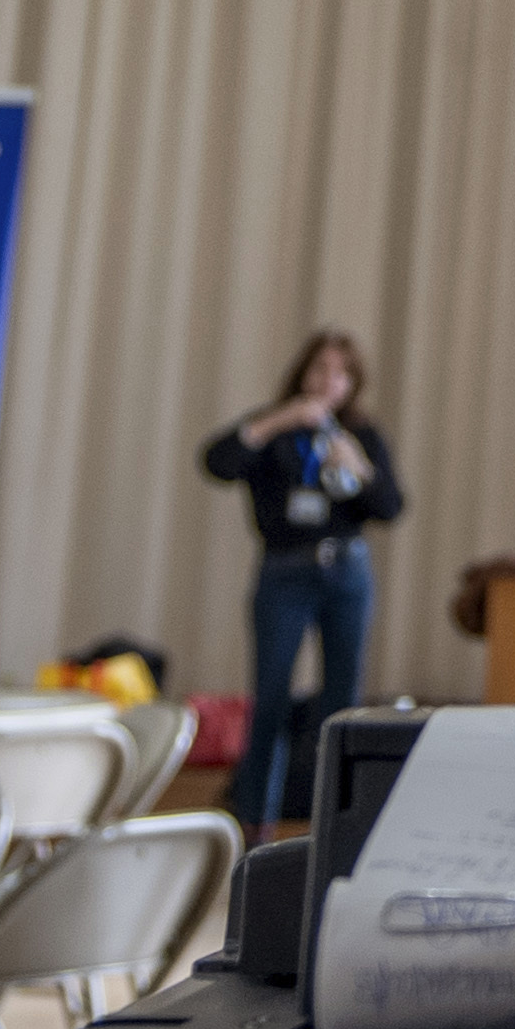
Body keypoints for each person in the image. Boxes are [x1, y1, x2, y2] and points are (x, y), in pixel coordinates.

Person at [204, 333, 402, 833]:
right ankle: (254, 829)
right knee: (269, 701)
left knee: (340, 704)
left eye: (340, 373)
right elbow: (217, 462)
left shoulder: (358, 435)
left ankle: (334, 828)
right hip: (284, 573)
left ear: (351, 384)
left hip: (346, 572)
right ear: (302, 373)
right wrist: (280, 420)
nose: (327, 381)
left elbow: (391, 507)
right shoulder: (273, 429)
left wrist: (359, 466)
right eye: (320, 369)